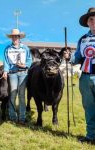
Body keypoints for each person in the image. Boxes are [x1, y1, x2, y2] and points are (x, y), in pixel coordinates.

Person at [64, 7, 95, 143]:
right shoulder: (82, 40)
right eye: (91, 19)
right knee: (89, 108)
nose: (94, 22)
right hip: (85, 78)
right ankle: (91, 136)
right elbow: (77, 58)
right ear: (87, 22)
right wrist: (68, 57)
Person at [2, 28, 32, 124]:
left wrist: (25, 65)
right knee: (13, 94)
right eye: (13, 36)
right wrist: (5, 71)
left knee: (22, 95)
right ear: (11, 38)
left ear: (19, 37)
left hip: (23, 73)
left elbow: (29, 60)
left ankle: (22, 118)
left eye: (16, 36)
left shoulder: (25, 48)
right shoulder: (7, 49)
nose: (14, 38)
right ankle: (12, 117)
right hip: (12, 73)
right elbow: (6, 61)